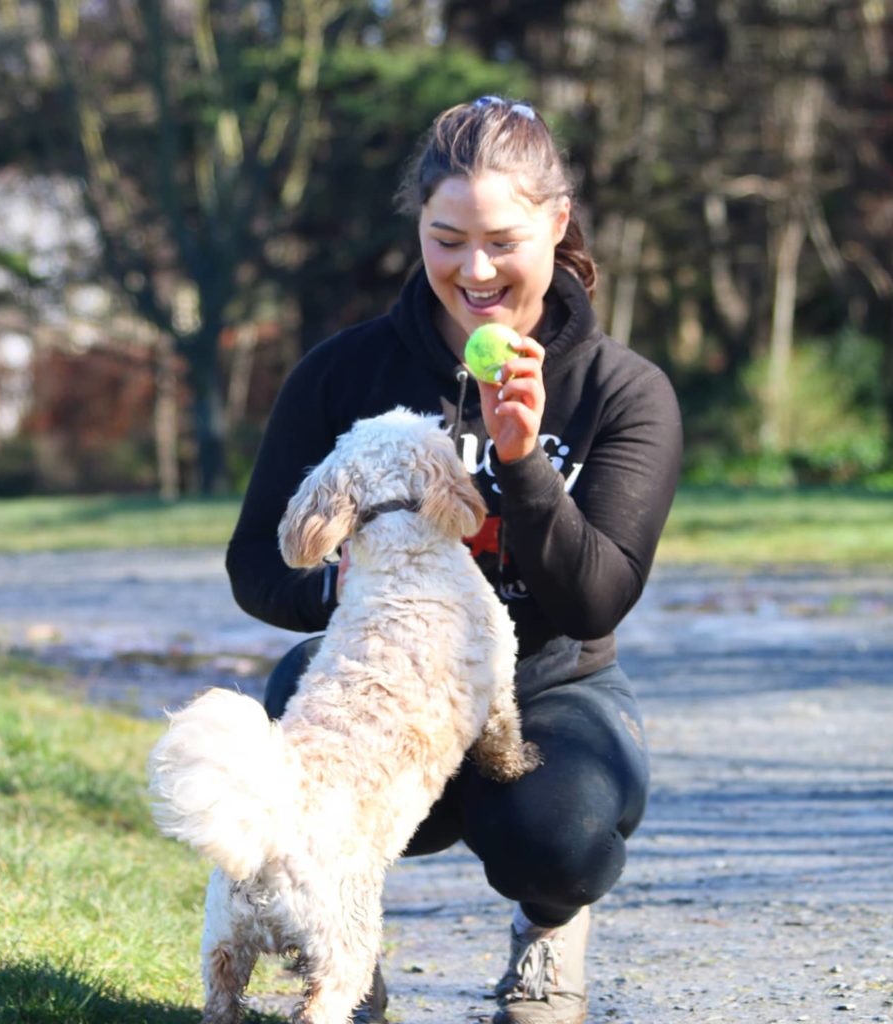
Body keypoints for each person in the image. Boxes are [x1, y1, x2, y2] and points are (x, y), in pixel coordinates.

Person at [226, 96, 683, 1024]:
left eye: (503, 239)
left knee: (557, 838)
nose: (474, 270)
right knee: (289, 725)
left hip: (548, 693)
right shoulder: (343, 376)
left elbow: (597, 597)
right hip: (382, 682)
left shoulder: (621, 392)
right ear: (420, 229)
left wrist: (523, 467)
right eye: (446, 239)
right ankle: (340, 954)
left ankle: (551, 929)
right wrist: (356, 588)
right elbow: (256, 568)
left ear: (557, 224)